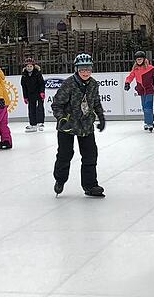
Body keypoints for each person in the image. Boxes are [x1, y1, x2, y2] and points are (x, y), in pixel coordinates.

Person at [52, 53, 107, 197]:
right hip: (68, 126)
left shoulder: (93, 84)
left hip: (86, 125)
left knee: (90, 155)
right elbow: (56, 104)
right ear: (77, 70)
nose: (85, 72)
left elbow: (95, 102)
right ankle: (60, 179)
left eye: (88, 69)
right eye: (82, 70)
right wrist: (62, 118)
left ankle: (90, 185)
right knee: (65, 154)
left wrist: (101, 117)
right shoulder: (68, 84)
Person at [21, 57, 46, 132]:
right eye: (28, 66)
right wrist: (25, 97)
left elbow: (42, 84)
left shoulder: (37, 73)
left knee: (39, 108)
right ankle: (33, 124)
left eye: (30, 66)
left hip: (38, 94)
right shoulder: (24, 75)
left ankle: (40, 123)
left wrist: (42, 92)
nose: (29, 68)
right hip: (30, 95)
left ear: (33, 66)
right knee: (31, 109)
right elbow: (24, 87)